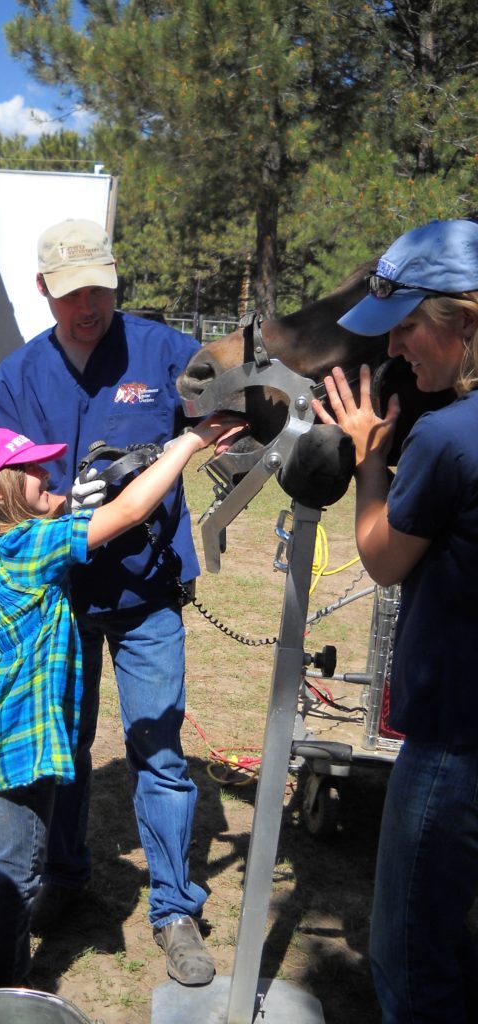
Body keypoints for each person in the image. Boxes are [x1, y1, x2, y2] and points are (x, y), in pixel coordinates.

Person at [0, 417, 243, 987]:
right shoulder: (29, 547)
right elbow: (126, 515)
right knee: (19, 866)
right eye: (31, 470)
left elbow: (57, 520)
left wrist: (61, 502)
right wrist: (188, 444)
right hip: (25, 734)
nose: (48, 471)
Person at [0, 219, 217, 985]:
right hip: (60, 604)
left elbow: (228, 413)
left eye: (101, 287)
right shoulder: (14, 379)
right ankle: (66, 878)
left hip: (146, 594)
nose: (89, 304)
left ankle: (175, 907)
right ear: (44, 289)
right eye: (73, 290)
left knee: (161, 753)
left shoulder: (165, 352)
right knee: (63, 751)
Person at [313, 218, 478, 1023]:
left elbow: (380, 557)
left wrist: (369, 452)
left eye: (410, 325)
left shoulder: (448, 440)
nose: (400, 349)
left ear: (466, 320)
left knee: (412, 964)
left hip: (454, 743)